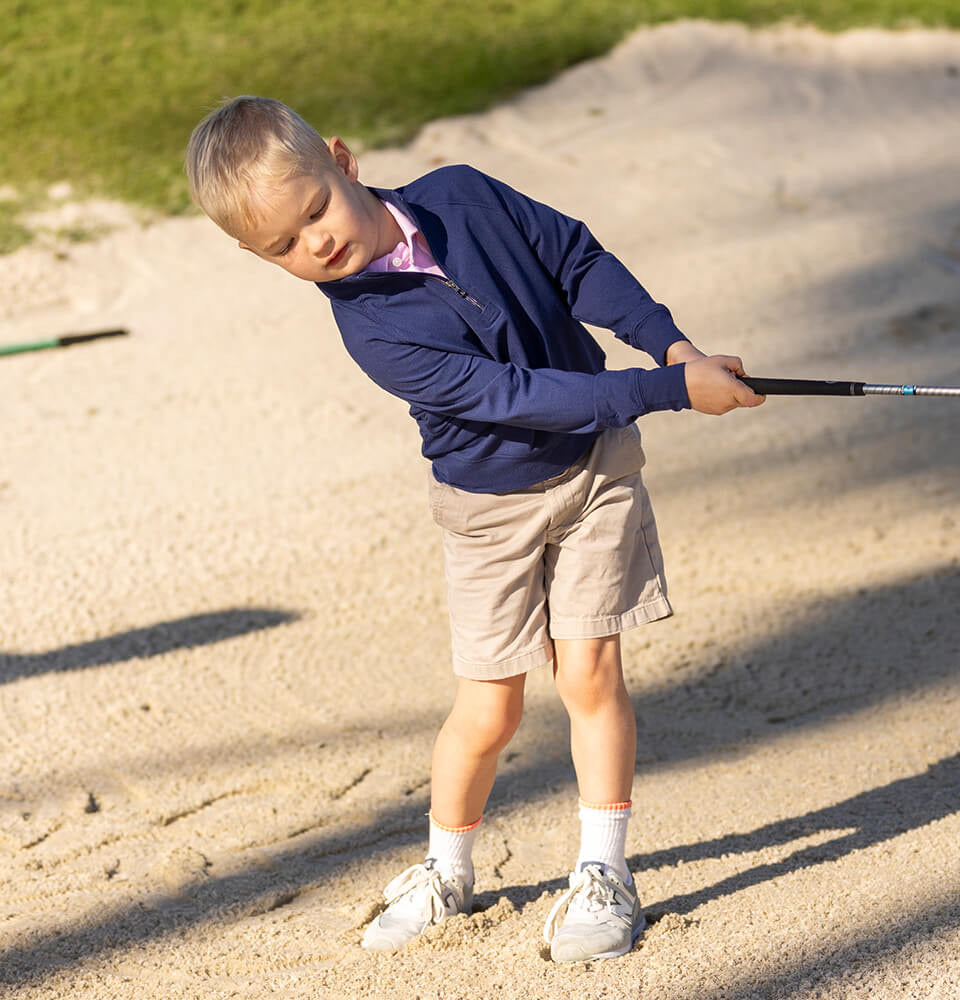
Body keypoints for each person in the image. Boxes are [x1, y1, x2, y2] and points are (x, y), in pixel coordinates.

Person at [185, 96, 764, 963]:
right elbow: (517, 397)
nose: (315, 244)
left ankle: (604, 873)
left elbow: (575, 260)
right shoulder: (374, 333)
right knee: (491, 708)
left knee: (592, 674)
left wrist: (672, 349)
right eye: (282, 247)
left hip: (597, 471)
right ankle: (446, 870)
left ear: (342, 160)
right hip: (489, 514)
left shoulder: (465, 194)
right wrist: (670, 392)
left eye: (314, 211)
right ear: (253, 254)